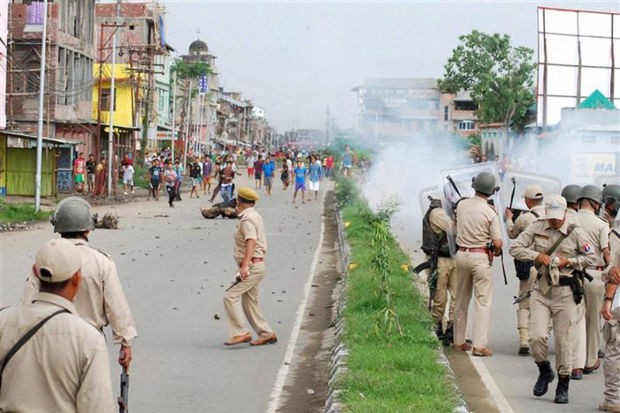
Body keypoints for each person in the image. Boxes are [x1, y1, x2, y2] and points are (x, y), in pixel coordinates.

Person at [22, 197, 137, 371]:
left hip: (50, 341)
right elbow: (116, 306)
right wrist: (125, 342)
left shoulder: (46, 257)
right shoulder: (102, 262)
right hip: (89, 344)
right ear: (88, 229)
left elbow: (27, 305)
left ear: (58, 227)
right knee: (91, 394)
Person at [1, 238, 115, 412]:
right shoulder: (89, 339)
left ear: (35, 273)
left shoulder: (3, 321)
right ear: (77, 279)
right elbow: (97, 407)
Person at [509, 194, 596, 404]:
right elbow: (515, 248)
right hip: (542, 290)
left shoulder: (575, 232)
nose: (555, 220)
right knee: (536, 337)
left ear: (565, 212)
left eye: (559, 216)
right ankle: (544, 369)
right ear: (546, 213)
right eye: (552, 216)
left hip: (566, 291)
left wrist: (570, 261)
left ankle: (563, 384)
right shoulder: (537, 226)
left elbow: (591, 257)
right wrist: (536, 256)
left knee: (564, 341)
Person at [453, 171, 502, 357]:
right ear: (491, 191)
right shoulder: (490, 212)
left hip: (461, 254)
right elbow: (497, 243)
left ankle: (459, 341)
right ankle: (479, 345)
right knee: (483, 302)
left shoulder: (462, 205)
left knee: (461, 300)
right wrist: (496, 251)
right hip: (480, 256)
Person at [223, 187, 277, 346]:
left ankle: (240, 332)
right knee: (250, 302)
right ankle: (266, 333)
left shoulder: (247, 220)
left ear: (239, 202)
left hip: (252, 266)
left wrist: (245, 266)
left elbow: (251, 241)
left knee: (230, 295)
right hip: (258, 265)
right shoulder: (255, 215)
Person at [572, 185, 610, 379]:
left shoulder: (570, 219)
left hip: (572, 274)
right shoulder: (601, 224)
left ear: (579, 201)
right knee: (593, 321)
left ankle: (574, 364)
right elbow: (607, 253)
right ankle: (590, 361)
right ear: (596, 204)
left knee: (574, 320)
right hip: (595, 276)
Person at [504, 184, 546, 355]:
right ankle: (543, 336)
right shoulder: (551, 215)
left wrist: (508, 218)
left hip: (528, 265)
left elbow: (512, 234)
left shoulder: (524, 218)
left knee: (524, 303)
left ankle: (524, 339)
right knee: (546, 302)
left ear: (528, 201)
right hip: (546, 266)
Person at [422, 197, 457, 346]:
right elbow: (453, 229)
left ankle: (452, 329)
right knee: (440, 298)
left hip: (454, 258)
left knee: (458, 297)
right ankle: (436, 328)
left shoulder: (451, 211)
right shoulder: (437, 212)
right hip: (440, 260)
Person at [600, 220, 620, 412]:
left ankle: (613, 399)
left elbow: (615, 272)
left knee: (615, 350)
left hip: (619, 301)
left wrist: (608, 299)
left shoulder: (617, 234)